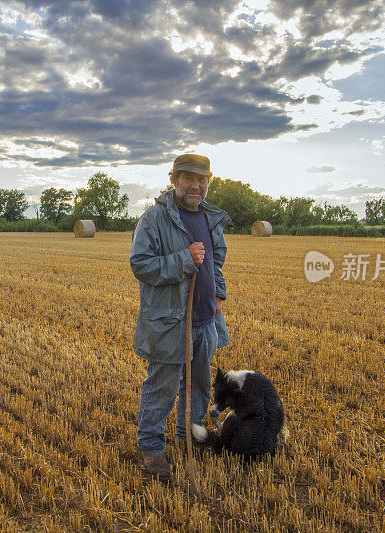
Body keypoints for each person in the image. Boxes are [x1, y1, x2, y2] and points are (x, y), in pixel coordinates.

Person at [129, 153, 231, 480]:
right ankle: (151, 448)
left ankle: (190, 434)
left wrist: (218, 293)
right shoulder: (154, 219)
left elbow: (216, 261)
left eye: (202, 179)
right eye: (188, 178)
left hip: (205, 320)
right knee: (163, 388)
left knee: (199, 386)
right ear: (174, 179)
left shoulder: (210, 217)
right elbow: (141, 266)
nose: (196, 185)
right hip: (171, 321)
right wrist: (184, 259)